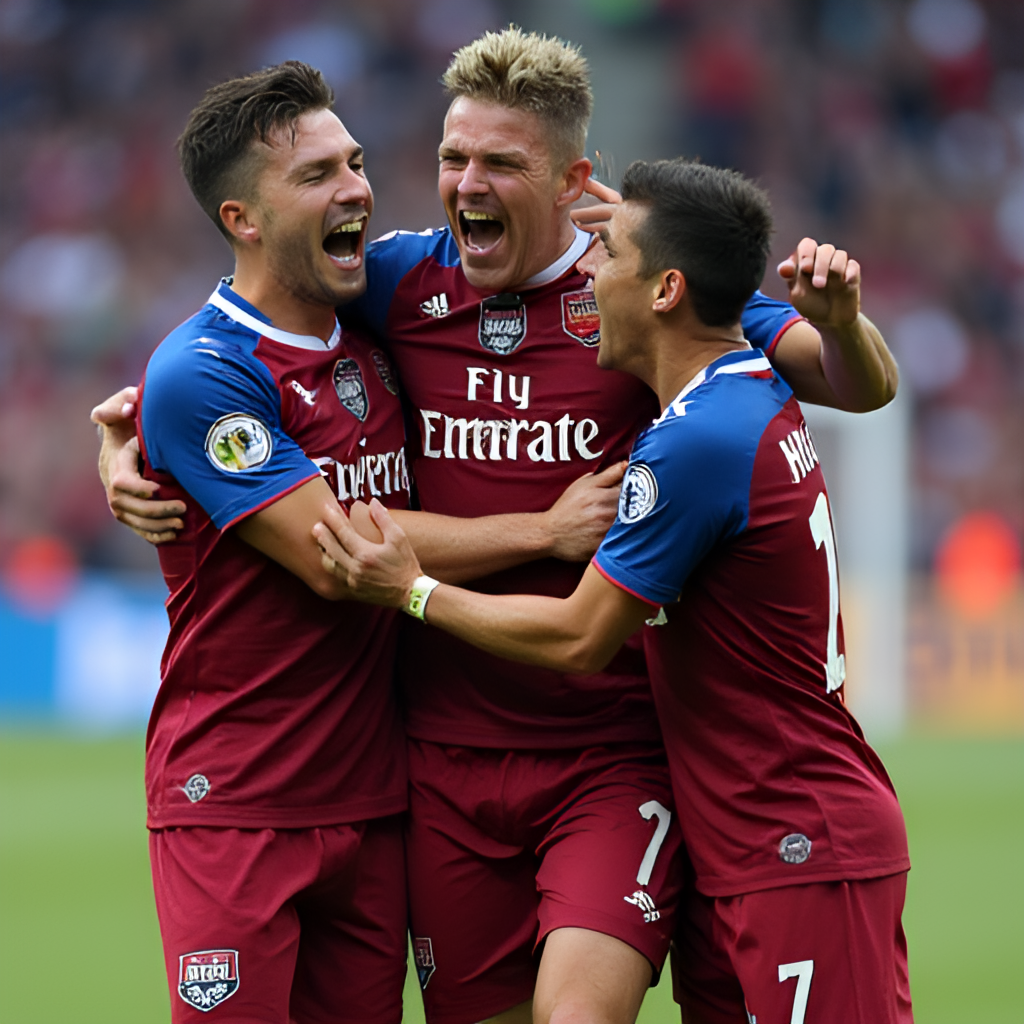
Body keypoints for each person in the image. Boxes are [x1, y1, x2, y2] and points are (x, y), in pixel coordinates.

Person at [93, 30, 900, 1024]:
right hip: (435, 760)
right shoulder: (395, 282)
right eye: (451, 158)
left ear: (571, 181)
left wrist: (847, 318)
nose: (463, 183)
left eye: (500, 164)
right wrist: (128, 447)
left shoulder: (636, 292)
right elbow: (234, 353)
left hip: (611, 748)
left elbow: (850, 382)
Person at [313, 158, 913, 1024]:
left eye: (609, 255)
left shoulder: (698, 440)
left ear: (667, 289)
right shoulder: (740, 393)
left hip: (799, 835)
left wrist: (411, 589)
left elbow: (576, 639)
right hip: (742, 839)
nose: (586, 275)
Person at [128, 60, 625, 1024]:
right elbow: (337, 554)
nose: (356, 187)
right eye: (316, 176)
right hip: (238, 796)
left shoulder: (372, 339)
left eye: (353, 163)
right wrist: (550, 528)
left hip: (377, 794)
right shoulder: (201, 371)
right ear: (243, 219)